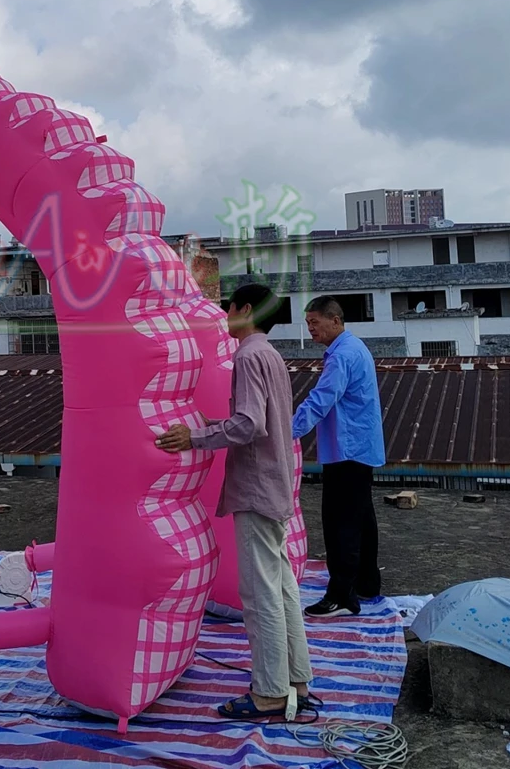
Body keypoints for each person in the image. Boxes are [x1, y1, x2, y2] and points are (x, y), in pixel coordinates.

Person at [156, 283, 313, 721]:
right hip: (277, 485)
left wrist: (197, 436)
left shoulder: (246, 356)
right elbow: (257, 420)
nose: (225, 314)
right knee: (283, 590)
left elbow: (248, 425)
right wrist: (213, 424)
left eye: (229, 307)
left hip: (257, 489)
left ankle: (269, 693)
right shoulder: (271, 355)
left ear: (245, 309)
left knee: (260, 594)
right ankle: (297, 681)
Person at [292, 296, 386, 618]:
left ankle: (342, 594)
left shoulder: (342, 356)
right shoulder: (353, 348)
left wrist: (286, 431)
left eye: (315, 323)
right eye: (308, 324)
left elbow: (320, 401)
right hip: (358, 448)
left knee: (340, 523)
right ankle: (366, 583)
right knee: (360, 520)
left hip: (347, 451)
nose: (311, 329)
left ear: (335, 320)